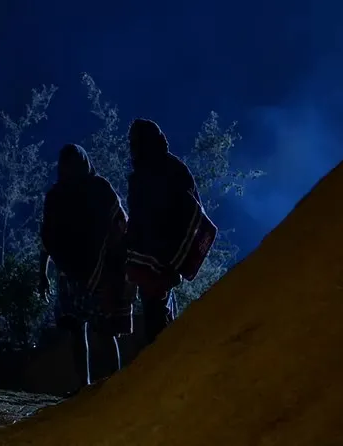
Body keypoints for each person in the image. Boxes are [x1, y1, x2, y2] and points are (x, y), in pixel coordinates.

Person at [38, 144, 135, 393]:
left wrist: (118, 265)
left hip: (93, 274)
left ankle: (110, 386)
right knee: (82, 330)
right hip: (78, 275)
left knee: (100, 330)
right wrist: (42, 273)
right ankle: (90, 386)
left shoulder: (96, 190)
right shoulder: (60, 195)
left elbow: (119, 226)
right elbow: (48, 236)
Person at [124, 119, 219, 348]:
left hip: (166, 258)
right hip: (148, 260)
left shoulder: (170, 171)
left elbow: (189, 214)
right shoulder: (143, 175)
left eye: (136, 142)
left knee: (157, 320)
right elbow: (138, 219)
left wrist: (173, 260)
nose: (133, 148)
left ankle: (169, 359)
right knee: (158, 314)